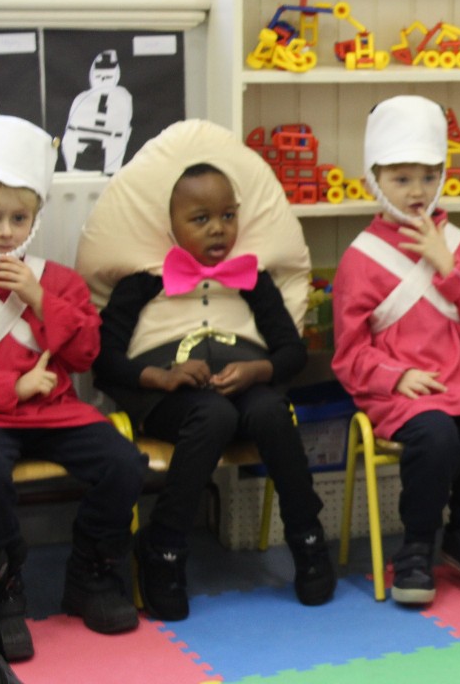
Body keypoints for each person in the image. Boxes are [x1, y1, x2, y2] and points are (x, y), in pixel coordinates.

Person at [93, 161, 334, 622]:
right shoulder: (142, 281)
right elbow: (103, 360)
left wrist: (258, 369)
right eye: (200, 219)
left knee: (272, 411)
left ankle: (307, 535)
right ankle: (163, 546)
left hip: (243, 387)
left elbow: (292, 352)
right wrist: (160, 377)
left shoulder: (253, 279)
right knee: (213, 416)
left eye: (228, 216)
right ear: (172, 224)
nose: (218, 230)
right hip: (169, 395)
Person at [0, 115, 144, 661]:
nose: (5, 231)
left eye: (19, 217)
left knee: (122, 463)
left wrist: (40, 300)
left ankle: (93, 571)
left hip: (56, 413)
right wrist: (10, 385)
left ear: (36, 218)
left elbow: (85, 352)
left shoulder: (56, 279)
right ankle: (0, 587)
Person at [332, 95, 460, 607]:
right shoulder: (360, 258)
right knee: (436, 435)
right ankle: (417, 543)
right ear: (374, 181)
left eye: (427, 176)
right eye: (401, 178)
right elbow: (348, 355)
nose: (417, 191)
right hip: (405, 392)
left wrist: (449, 266)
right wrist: (394, 377)